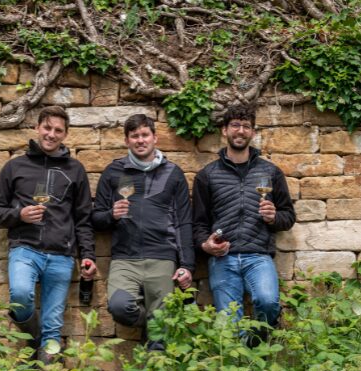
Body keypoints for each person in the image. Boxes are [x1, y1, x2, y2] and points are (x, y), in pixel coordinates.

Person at [0, 105, 96, 364]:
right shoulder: (15, 167)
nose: (51, 134)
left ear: (65, 134)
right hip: (24, 249)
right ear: (37, 128)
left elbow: (83, 218)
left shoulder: (75, 169)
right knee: (19, 296)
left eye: (58, 130)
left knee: (53, 324)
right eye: (47, 128)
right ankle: (35, 339)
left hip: (61, 255)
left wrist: (88, 255)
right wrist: (19, 215)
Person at [193, 104, 295, 345]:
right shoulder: (207, 175)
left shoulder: (271, 172)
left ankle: (254, 349)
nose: (240, 131)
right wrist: (205, 245)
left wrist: (274, 218)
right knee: (229, 323)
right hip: (222, 258)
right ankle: (241, 365)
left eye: (246, 126)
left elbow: (288, 217)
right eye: (235, 125)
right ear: (224, 130)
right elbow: (198, 223)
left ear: (253, 132)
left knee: (268, 303)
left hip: (258, 256)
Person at [92, 114, 195, 350]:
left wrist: (187, 265)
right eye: (134, 136)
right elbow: (96, 219)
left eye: (145, 135)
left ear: (155, 138)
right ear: (127, 141)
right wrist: (111, 215)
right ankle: (150, 323)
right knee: (119, 307)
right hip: (125, 259)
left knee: (160, 335)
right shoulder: (114, 171)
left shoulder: (173, 173)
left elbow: (183, 222)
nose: (140, 140)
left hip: (162, 257)